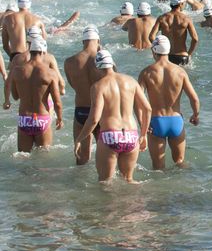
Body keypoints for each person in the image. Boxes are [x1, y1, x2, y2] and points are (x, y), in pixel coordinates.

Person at [77, 49, 151, 182]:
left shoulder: (98, 86)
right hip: (131, 136)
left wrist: (79, 139)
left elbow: (94, 119)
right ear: (112, 63)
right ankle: (137, 203)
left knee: (105, 182)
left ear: (97, 67)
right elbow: (148, 109)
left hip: (110, 136)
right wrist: (144, 134)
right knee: (129, 180)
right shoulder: (131, 81)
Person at [138, 36, 201, 169]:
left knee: (158, 167)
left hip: (156, 122)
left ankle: (160, 190)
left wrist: (142, 124)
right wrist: (195, 115)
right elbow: (194, 98)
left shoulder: (146, 73)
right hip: (176, 121)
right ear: (168, 50)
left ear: (153, 51)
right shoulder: (180, 72)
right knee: (180, 162)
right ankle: (186, 188)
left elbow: (138, 101)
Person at [9, 34, 64, 152]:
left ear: (30, 51)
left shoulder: (17, 71)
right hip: (41, 119)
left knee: (23, 158)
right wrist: (60, 118)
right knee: (43, 162)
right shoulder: (50, 73)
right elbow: (57, 102)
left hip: (24, 119)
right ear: (43, 52)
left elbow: (15, 96)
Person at [63, 26, 102, 164]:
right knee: (105, 157)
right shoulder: (104, 61)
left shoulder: (69, 62)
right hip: (100, 113)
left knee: (81, 157)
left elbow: (73, 85)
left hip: (81, 112)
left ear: (83, 41)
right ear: (98, 40)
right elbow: (112, 85)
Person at [150, 0, 200, 66]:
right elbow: (195, 39)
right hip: (182, 56)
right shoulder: (186, 19)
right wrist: (189, 54)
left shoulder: (162, 18)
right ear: (181, 4)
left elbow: (151, 37)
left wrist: (157, 51)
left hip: (166, 56)